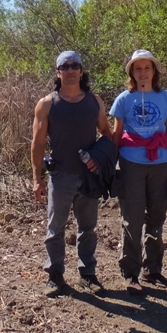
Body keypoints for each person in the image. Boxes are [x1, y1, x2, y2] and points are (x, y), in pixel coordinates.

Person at [32, 50, 113, 297]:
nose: (70, 70)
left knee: (87, 228)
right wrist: (37, 178)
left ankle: (87, 274)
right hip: (61, 176)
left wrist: (97, 160)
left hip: (89, 178)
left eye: (74, 65)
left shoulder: (94, 101)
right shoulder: (47, 104)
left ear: (81, 70)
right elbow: (36, 143)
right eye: (64, 67)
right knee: (55, 229)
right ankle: (55, 276)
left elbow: (107, 135)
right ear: (58, 72)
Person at [110, 49, 167, 295]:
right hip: (131, 164)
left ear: (154, 71)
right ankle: (131, 272)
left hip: (160, 164)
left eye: (147, 68)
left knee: (157, 217)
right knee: (132, 218)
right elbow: (116, 135)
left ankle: (153, 268)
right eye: (138, 68)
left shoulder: (165, 98)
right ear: (132, 72)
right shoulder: (123, 99)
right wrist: (112, 165)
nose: (143, 72)